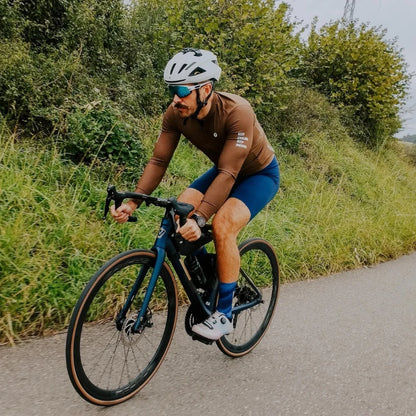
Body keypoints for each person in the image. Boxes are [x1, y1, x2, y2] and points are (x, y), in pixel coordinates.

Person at [111, 48, 280, 340]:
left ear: (205, 89)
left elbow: (229, 174)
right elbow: (159, 161)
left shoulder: (238, 112)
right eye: (171, 91)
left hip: (258, 175)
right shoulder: (176, 113)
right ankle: (207, 275)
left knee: (222, 225)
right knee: (179, 213)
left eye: (181, 91)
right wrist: (133, 201)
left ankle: (224, 314)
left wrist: (201, 218)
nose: (175, 99)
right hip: (224, 171)